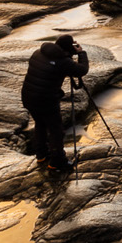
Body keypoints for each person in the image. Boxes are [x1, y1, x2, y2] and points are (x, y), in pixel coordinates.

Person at [20, 34, 89, 174]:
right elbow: (82, 70)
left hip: (28, 97)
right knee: (56, 130)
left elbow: (52, 66)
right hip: (46, 100)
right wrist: (81, 53)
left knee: (40, 124)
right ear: (68, 48)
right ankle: (58, 162)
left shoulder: (38, 52)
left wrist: (67, 54)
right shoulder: (63, 62)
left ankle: (41, 155)